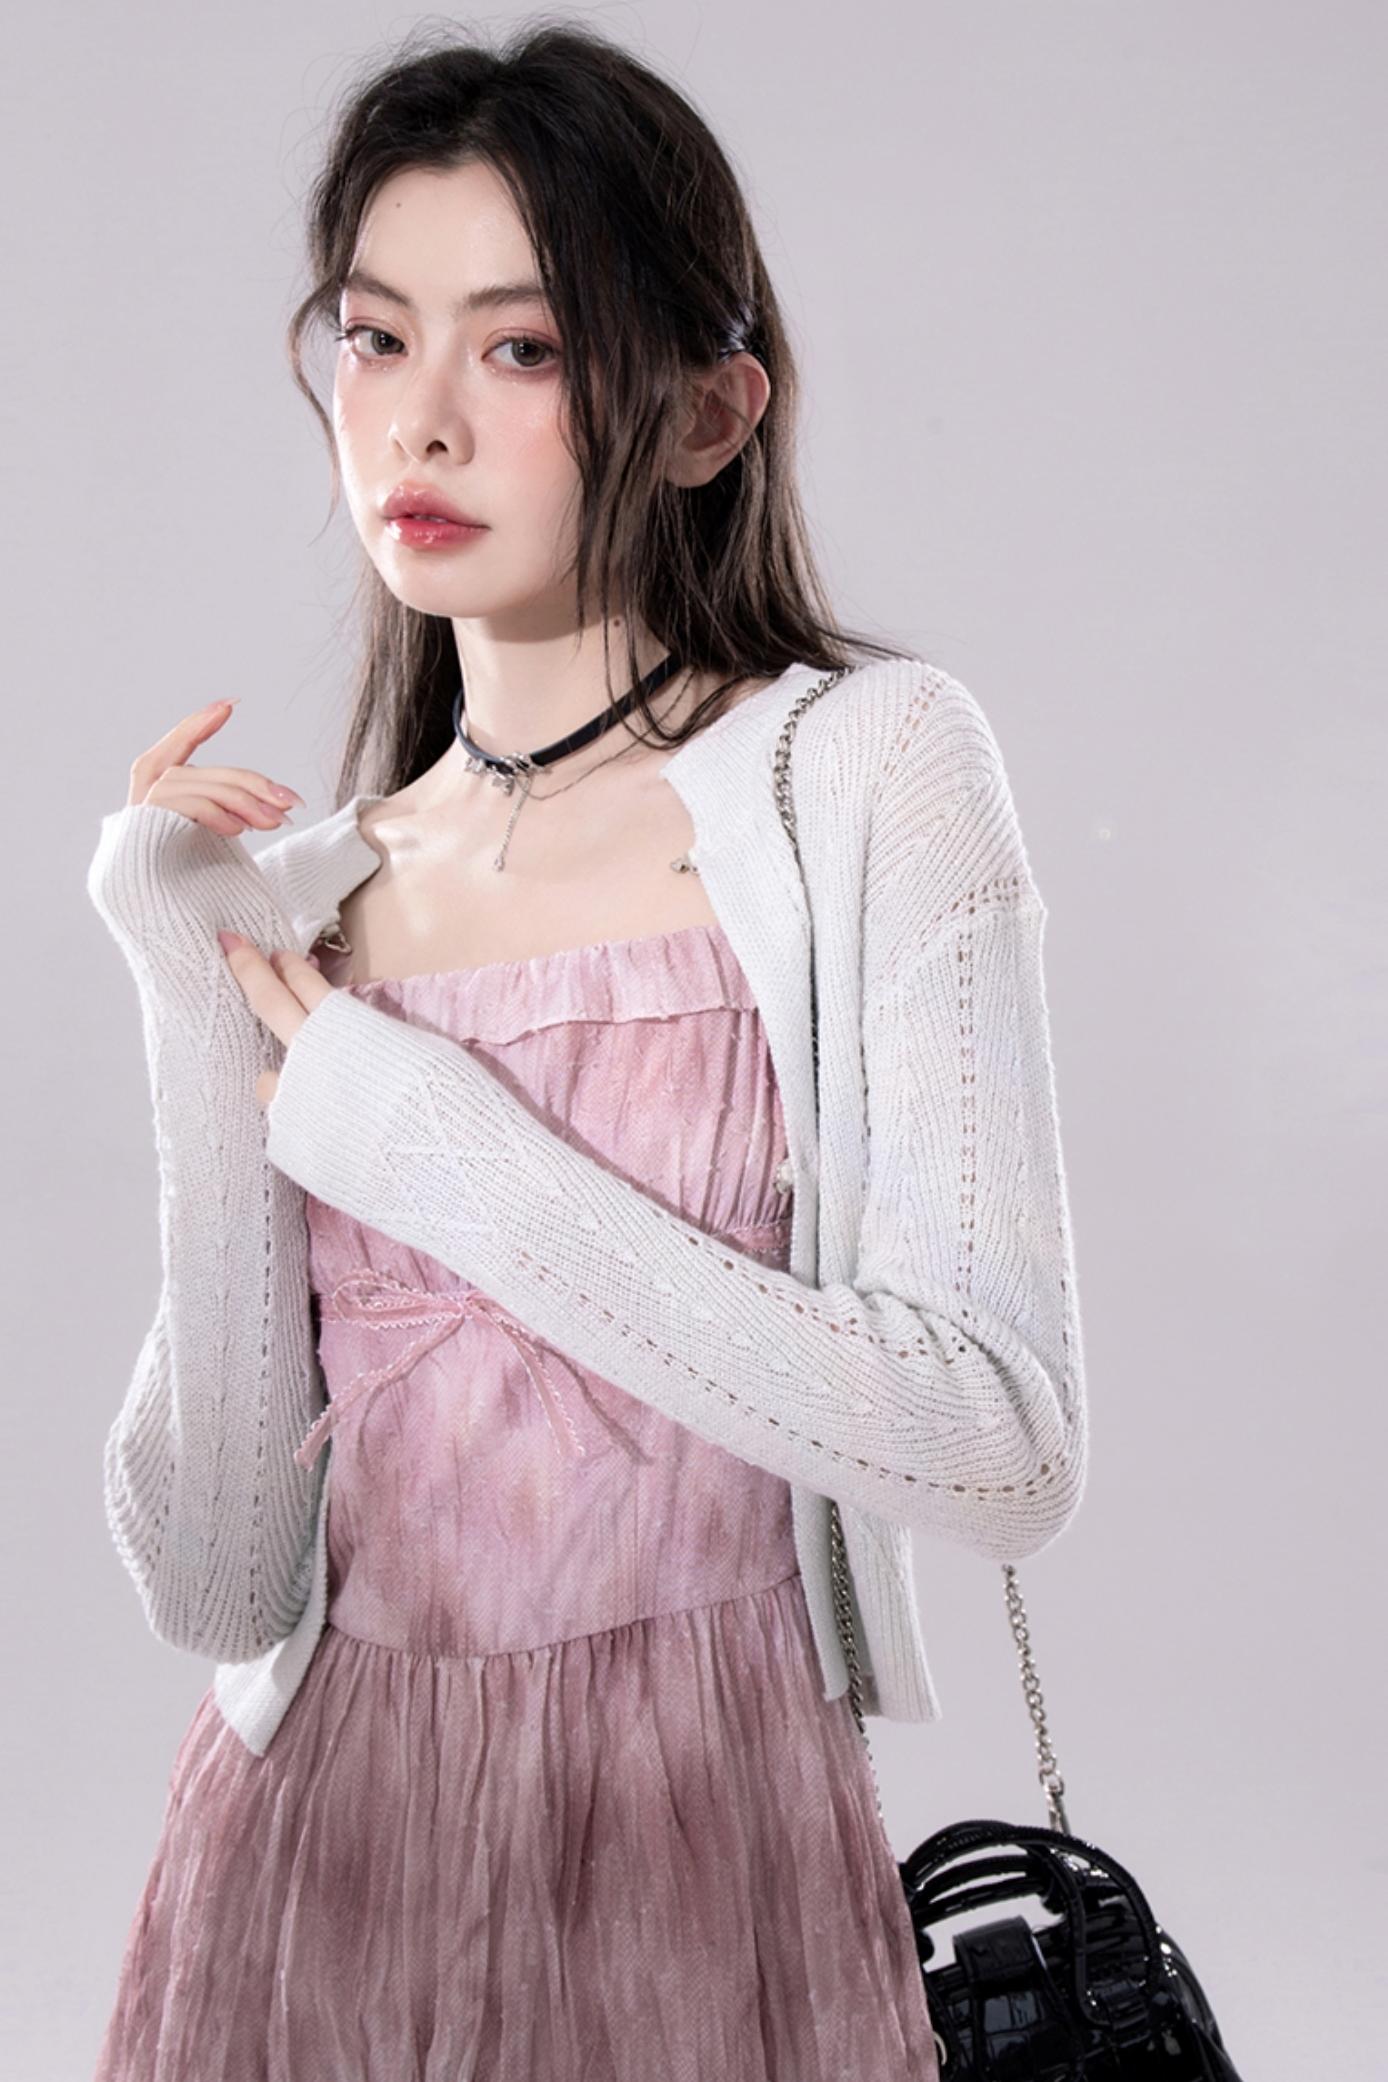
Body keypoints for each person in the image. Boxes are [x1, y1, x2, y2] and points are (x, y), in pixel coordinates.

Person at [87, 21, 1087, 2080]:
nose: (420, 420)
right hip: (307, 1871)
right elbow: (216, 1576)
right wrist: (186, 975)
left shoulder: (862, 774)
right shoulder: (319, 890)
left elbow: (997, 1441)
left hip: (700, 1853)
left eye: (521, 348)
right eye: (376, 338)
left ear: (710, 411)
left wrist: (434, 1149)